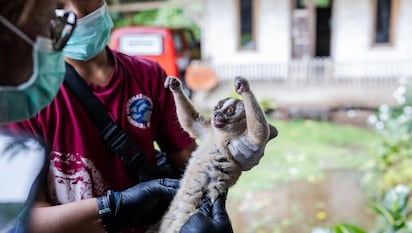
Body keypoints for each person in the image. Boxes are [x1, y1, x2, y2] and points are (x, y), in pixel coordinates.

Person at [1, 0, 269, 232]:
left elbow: (192, 164)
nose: (78, 12)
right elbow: (22, 220)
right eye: (59, 5)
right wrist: (112, 207)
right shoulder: (30, 93)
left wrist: (229, 151)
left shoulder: (149, 76)